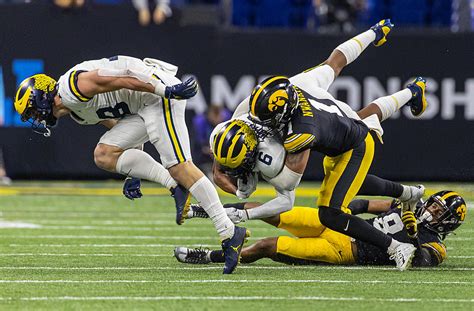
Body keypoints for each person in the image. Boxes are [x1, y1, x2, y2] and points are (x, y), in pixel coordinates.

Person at [13, 55, 248, 274]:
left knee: (179, 166)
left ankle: (229, 232)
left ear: (42, 95)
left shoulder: (73, 88)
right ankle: (175, 186)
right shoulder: (77, 113)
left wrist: (164, 89)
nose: (36, 117)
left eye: (33, 110)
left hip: (155, 93)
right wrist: (131, 173)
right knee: (104, 154)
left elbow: (124, 75)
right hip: (142, 104)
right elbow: (122, 130)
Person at [237, 19, 429, 271]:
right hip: (343, 119)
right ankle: (413, 92)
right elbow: (338, 58)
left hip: (354, 145)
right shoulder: (299, 84)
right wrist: (372, 34)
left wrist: (251, 172)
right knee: (365, 132)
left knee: (331, 213)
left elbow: (288, 184)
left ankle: (395, 247)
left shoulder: (303, 132)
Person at [175, 191, 467, 268]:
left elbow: (422, 261)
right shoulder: (409, 207)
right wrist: (346, 207)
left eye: (439, 211)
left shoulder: (436, 245)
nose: (430, 210)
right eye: (433, 204)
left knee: (266, 246)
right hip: (339, 224)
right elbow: (365, 203)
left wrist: (414, 235)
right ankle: (206, 211)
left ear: (449, 222)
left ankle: (210, 257)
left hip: (343, 250)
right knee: (268, 209)